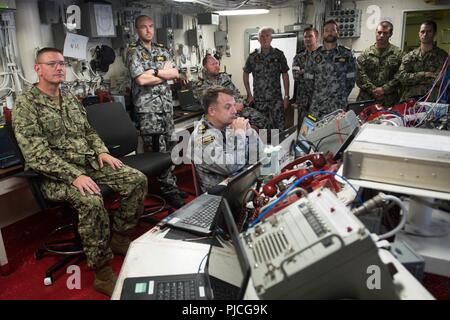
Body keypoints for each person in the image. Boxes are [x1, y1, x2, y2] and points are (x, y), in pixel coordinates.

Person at [12, 47, 147, 296]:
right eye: (52, 63)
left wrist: (101, 151)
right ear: (38, 69)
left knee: (135, 180)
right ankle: (102, 271)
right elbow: (36, 155)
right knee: (91, 200)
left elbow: (88, 132)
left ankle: (118, 235)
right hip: (56, 176)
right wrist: (73, 176)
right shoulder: (26, 105)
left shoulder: (70, 98)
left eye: (62, 63)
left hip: (88, 164)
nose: (59, 68)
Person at [126, 15, 184, 208]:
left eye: (151, 26)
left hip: (166, 107)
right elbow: (141, 80)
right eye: (144, 27)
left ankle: (171, 184)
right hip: (148, 111)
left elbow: (175, 74)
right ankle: (168, 190)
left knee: (171, 148)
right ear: (137, 30)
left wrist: (155, 72)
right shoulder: (133, 52)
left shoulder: (162, 50)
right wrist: (163, 74)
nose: (148, 30)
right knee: (157, 151)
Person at [189, 86, 264, 193]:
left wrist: (250, 133)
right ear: (212, 111)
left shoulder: (227, 124)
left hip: (242, 184)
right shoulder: (202, 138)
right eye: (228, 107)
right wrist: (240, 134)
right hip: (221, 197)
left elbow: (259, 154)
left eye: (234, 105)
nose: (234, 111)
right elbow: (231, 166)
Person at [194, 54, 270, 130]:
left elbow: (236, 92)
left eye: (217, 63)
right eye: (212, 64)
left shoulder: (225, 77)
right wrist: (232, 107)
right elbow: (207, 105)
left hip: (238, 109)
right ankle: (249, 135)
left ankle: (260, 140)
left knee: (263, 120)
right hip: (222, 115)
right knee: (241, 128)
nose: (216, 66)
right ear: (205, 67)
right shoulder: (200, 84)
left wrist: (241, 103)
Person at [304, 20, 356, 118]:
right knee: (317, 133)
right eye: (327, 30)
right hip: (317, 106)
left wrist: (341, 96)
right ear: (323, 34)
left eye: (333, 30)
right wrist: (318, 96)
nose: (330, 33)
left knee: (337, 132)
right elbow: (308, 81)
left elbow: (351, 80)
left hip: (338, 106)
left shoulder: (347, 54)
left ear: (338, 33)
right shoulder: (314, 55)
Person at [243, 27, 290, 130]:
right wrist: (249, 93)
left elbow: (285, 75)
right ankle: (265, 147)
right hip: (260, 101)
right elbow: (245, 73)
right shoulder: (253, 56)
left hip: (276, 100)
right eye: (262, 36)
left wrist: (286, 96)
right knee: (263, 129)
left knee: (278, 128)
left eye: (267, 36)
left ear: (271, 38)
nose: (264, 39)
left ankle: (278, 146)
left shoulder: (279, 55)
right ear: (258, 39)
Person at [398, 20, 448, 101]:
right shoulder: (409, 56)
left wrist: (413, 78)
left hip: (433, 101)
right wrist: (424, 74)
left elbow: (441, 80)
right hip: (410, 100)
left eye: (429, 31)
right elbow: (402, 78)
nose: (425, 34)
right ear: (419, 34)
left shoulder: (443, 56)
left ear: (435, 34)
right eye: (422, 31)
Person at [356, 21, 403, 107]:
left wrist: (384, 89)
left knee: (390, 120)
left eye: (385, 33)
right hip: (367, 100)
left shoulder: (398, 54)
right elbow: (359, 74)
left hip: (390, 101)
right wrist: (373, 89)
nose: (381, 35)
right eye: (379, 32)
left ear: (390, 34)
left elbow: (401, 75)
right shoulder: (365, 53)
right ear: (376, 32)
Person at [292, 27, 319, 120]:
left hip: (319, 101)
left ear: (316, 38)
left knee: (319, 130)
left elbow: (325, 76)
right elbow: (296, 76)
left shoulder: (323, 56)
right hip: (303, 102)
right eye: (305, 37)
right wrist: (314, 72)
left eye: (310, 36)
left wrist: (304, 71)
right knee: (303, 130)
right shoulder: (299, 57)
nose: (307, 39)